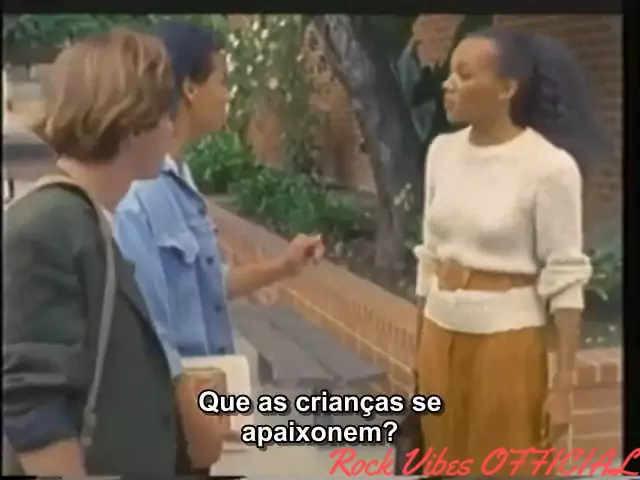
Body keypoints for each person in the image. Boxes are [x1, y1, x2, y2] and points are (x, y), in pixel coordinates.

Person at [113, 21, 324, 475]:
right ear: (190, 89)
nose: (229, 94)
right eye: (222, 80)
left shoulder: (179, 177)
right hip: (172, 423)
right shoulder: (141, 195)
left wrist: (283, 266)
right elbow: (153, 331)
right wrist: (198, 427)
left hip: (199, 409)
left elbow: (202, 286)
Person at [413, 28, 607, 476]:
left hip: (508, 345)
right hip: (440, 335)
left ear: (506, 88)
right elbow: (429, 254)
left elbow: (565, 278)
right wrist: (420, 349)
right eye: (449, 74)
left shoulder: (549, 167)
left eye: (465, 75)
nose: (449, 85)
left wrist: (564, 388)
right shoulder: (441, 152)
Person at [2, 28, 182, 476]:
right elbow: (34, 406)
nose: (171, 127)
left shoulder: (83, 217)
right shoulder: (48, 225)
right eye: (163, 113)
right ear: (131, 121)